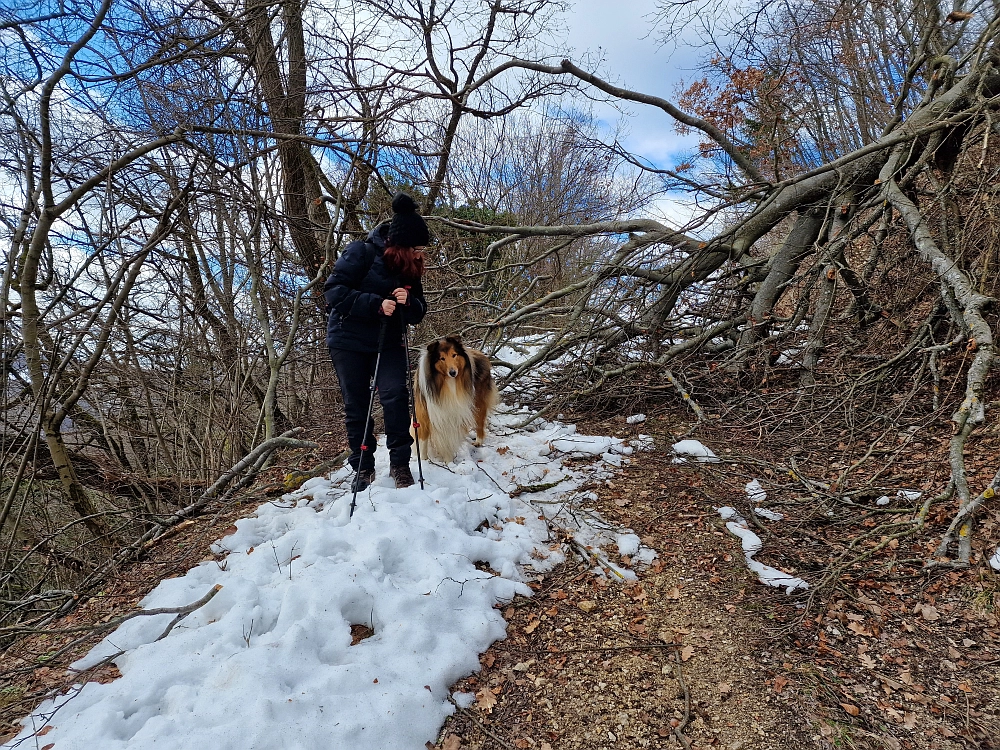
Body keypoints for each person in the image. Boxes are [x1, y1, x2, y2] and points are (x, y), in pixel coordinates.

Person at [324, 193, 428, 490]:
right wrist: (375, 304)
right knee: (357, 405)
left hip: (389, 341)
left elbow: (419, 311)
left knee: (395, 397)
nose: (420, 254)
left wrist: (409, 303)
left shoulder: (409, 269)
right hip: (348, 341)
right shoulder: (361, 252)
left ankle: (400, 465)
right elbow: (333, 291)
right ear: (401, 245)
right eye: (416, 248)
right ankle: (363, 467)